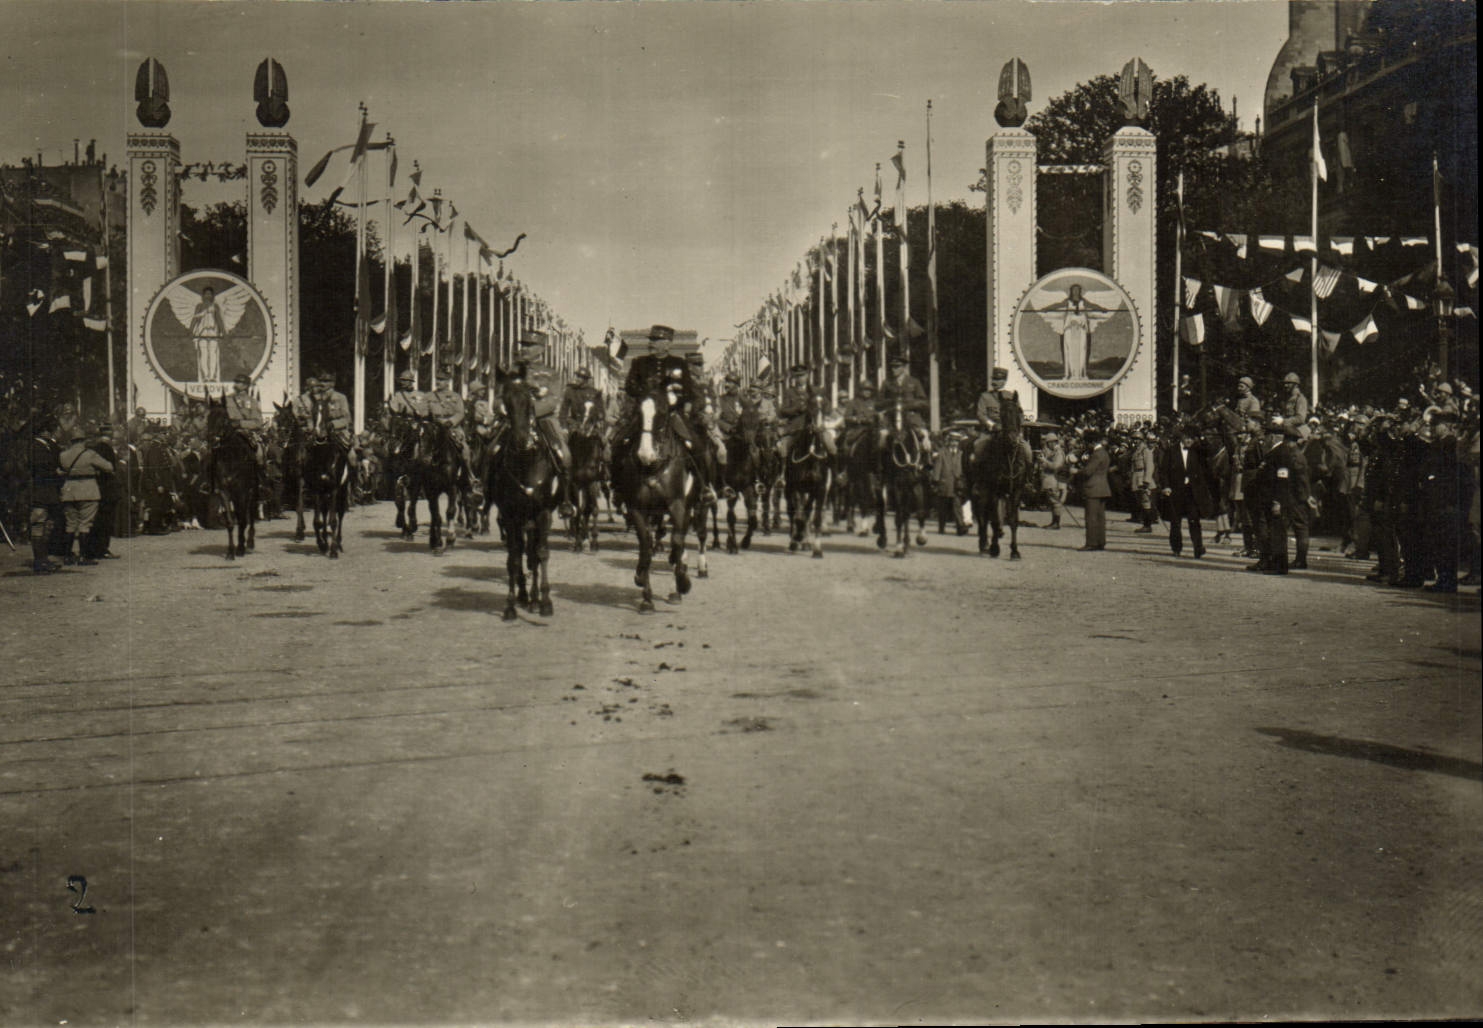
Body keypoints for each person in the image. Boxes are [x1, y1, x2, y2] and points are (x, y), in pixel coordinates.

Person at [57, 425, 114, 567]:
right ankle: (83, 556)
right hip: (88, 490)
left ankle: (68, 556)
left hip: (69, 490)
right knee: (85, 523)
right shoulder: (90, 454)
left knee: (70, 523)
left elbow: (60, 470)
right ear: (83, 440)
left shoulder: (63, 455)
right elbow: (109, 467)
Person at [1157, 422, 1216, 558]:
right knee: (1175, 521)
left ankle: (1198, 548)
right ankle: (1176, 548)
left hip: (1192, 492)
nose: (1189, 441)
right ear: (1182, 437)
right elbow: (1163, 471)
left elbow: (1209, 450)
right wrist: (1166, 486)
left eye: (1192, 438)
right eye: (1187, 438)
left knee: (1194, 520)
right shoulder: (1171, 451)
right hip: (1176, 491)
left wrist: (1201, 437)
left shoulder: (1198, 450)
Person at [26, 415, 65, 574]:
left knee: (45, 526)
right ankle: (39, 561)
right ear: (43, 431)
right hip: (40, 492)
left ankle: (43, 559)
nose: (51, 434)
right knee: (39, 524)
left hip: (46, 492)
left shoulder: (44, 446)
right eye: (49, 430)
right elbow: (41, 470)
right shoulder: (37, 447)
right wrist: (56, 473)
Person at [973, 366, 1032, 468]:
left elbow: (1020, 414)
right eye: (993, 379)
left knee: (1027, 451)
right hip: (990, 433)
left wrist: (1018, 430)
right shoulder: (985, 396)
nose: (994, 382)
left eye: (998, 379)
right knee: (978, 448)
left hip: (1010, 432)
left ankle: (1029, 476)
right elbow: (981, 414)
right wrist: (992, 425)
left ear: (1004, 381)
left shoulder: (1011, 396)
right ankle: (977, 476)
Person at [876, 353, 928, 459]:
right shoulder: (887, 383)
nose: (893, 369)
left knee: (924, 437)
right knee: (882, 437)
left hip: (910, 415)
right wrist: (891, 402)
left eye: (897, 367)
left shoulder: (914, 382)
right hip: (891, 416)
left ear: (904, 368)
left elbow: (923, 401)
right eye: (892, 367)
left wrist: (910, 404)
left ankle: (926, 461)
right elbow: (878, 403)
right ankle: (881, 462)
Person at [778, 363, 834, 459]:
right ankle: (783, 468)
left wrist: (821, 411)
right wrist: (797, 409)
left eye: (802, 375)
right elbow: (783, 411)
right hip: (796, 429)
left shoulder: (816, 390)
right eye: (797, 376)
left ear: (807, 375)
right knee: (783, 448)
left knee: (830, 445)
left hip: (816, 427)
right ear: (794, 378)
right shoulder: (790, 392)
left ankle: (834, 467)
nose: (800, 378)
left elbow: (828, 407)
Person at [86, 422, 122, 561]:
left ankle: (95, 549)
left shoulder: (95, 448)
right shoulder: (107, 448)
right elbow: (111, 469)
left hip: (98, 488)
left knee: (97, 520)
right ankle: (102, 549)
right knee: (105, 521)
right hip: (107, 489)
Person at [223, 372, 267, 471]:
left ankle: (260, 475)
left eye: (239, 382)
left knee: (259, 454)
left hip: (246, 434)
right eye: (236, 382)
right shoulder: (227, 400)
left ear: (246, 386)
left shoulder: (252, 402)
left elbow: (258, 423)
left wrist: (240, 423)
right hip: (229, 433)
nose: (236, 384)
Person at [1076, 426, 1110, 551]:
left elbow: (1087, 472)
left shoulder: (1096, 454)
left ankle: (1091, 543)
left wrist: (1076, 471)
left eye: (1087, 443)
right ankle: (1100, 541)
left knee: (1091, 517)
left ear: (1092, 442)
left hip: (1093, 488)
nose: (1086, 445)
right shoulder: (1104, 453)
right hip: (1103, 488)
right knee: (1100, 517)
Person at [190, 284, 226, 383]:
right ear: (203, 296)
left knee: (213, 354)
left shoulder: (215, 306)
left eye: (210, 294)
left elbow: (219, 319)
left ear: (212, 296)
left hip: (213, 332)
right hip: (202, 332)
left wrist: (223, 331)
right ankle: (205, 376)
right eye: (206, 294)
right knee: (204, 354)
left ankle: (212, 377)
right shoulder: (199, 306)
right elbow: (195, 319)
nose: (208, 296)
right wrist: (191, 331)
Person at [1037, 429, 1070, 530]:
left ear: (1052, 442)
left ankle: (1056, 523)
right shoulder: (1053, 452)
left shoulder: (1058, 453)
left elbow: (1056, 466)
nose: (1047, 446)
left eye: (1048, 443)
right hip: (1051, 480)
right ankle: (1054, 522)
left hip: (1056, 480)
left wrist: (1045, 461)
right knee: (1052, 501)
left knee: (1055, 502)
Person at [1130, 428, 1158, 533]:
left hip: (1143, 479)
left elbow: (1150, 466)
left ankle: (1147, 525)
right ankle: (1145, 523)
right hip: (1137, 477)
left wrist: (1146, 481)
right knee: (1142, 502)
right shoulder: (1136, 451)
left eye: (1138, 439)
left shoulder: (1145, 451)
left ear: (1142, 440)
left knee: (1146, 502)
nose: (1135, 441)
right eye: (1134, 439)